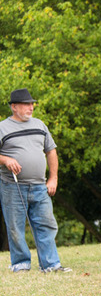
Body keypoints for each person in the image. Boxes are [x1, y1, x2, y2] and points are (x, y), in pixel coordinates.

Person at [0, 88, 70, 273]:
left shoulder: (40, 125)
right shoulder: (2, 128)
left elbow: (51, 151)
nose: (31, 107)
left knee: (46, 224)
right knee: (15, 227)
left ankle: (51, 265)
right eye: (26, 104)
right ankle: (21, 264)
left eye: (32, 104)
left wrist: (53, 178)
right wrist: (6, 159)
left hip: (40, 186)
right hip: (12, 186)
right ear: (14, 107)